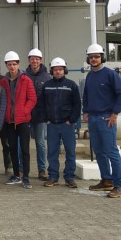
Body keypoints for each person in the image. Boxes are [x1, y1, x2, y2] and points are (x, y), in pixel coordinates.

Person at [82, 44, 121, 198]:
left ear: (102, 57)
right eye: (91, 57)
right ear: (88, 59)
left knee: (111, 151)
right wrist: (86, 111)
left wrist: (115, 113)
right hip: (93, 118)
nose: (94, 59)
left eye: (97, 56)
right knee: (99, 151)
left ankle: (120, 185)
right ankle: (106, 180)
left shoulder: (110, 75)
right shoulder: (90, 75)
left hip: (106, 118)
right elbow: (87, 95)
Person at [36, 58, 81, 188]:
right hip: (52, 125)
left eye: (60, 69)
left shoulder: (71, 85)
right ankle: (53, 177)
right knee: (52, 152)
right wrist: (46, 119)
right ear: (52, 71)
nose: (58, 72)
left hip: (67, 125)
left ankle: (69, 177)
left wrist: (71, 120)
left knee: (70, 152)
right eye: (55, 70)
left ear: (64, 70)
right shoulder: (47, 85)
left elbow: (77, 104)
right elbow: (42, 104)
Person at [0, 51, 37, 189]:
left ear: (18, 64)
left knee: (25, 149)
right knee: (12, 149)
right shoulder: (3, 81)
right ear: (6, 65)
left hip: (23, 121)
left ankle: (25, 176)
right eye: (9, 64)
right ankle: (16, 174)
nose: (12, 67)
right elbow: (2, 100)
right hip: (9, 122)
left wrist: (24, 111)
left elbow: (32, 99)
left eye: (14, 64)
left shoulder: (26, 79)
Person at [24, 48, 51, 181]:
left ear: (40, 60)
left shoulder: (47, 77)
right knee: (23, 143)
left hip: (40, 116)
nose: (34, 61)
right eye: (32, 58)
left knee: (40, 143)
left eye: (37, 59)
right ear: (29, 60)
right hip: (25, 115)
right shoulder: (23, 75)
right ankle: (23, 169)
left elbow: (48, 98)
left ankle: (42, 169)